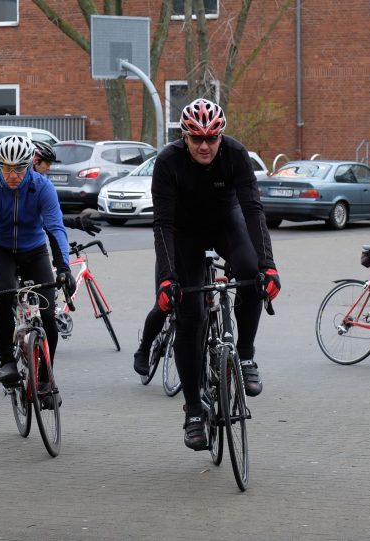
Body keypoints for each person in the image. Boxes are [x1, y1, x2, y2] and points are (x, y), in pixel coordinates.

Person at [151, 98, 280, 450]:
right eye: (197, 139)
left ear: (221, 136)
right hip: (184, 233)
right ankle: (194, 409)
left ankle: (246, 354)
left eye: (212, 138)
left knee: (252, 274)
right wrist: (167, 277)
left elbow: (253, 211)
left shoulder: (236, 154)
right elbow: (161, 223)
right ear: (185, 137)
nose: (205, 146)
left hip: (226, 223)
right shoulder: (167, 162)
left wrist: (269, 266)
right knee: (188, 316)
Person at [0, 135, 77, 394]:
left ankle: (44, 377)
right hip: (2, 250)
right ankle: (7, 360)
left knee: (49, 313)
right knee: (1, 297)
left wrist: (64, 267)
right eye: (6, 168)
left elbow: (55, 228)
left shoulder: (42, 187)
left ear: (30, 164)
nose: (13, 175)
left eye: (19, 168)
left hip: (34, 250)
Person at [0, 140, 103, 236]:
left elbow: (48, 217)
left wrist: (75, 223)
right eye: (48, 163)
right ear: (35, 161)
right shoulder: (11, 181)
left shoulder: (40, 185)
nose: (49, 168)